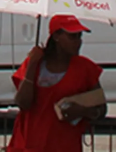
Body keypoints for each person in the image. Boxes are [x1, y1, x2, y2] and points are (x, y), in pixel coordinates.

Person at [10, 15, 104, 152]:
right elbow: (22, 103)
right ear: (56, 37)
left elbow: (102, 108)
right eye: (73, 36)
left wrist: (83, 111)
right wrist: (32, 65)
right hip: (28, 145)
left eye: (79, 36)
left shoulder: (86, 68)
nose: (78, 42)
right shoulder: (35, 63)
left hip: (66, 145)